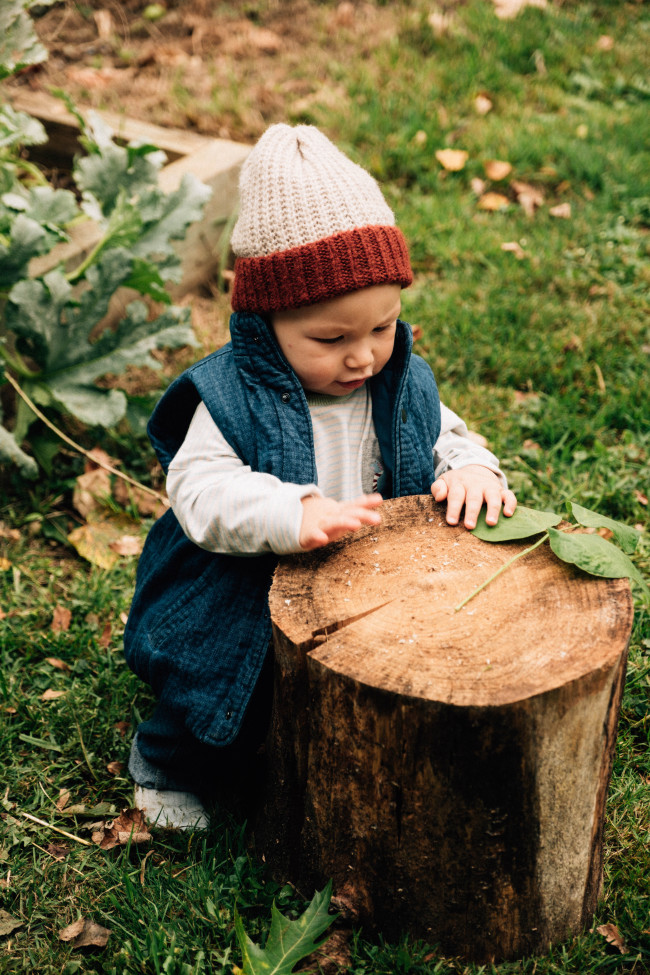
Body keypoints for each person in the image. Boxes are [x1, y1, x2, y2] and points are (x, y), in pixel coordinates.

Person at [123, 124, 517, 828]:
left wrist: (470, 466)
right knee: (220, 688)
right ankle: (166, 762)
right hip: (242, 579)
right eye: (332, 339)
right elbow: (199, 490)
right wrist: (290, 513)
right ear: (267, 319)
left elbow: (440, 430)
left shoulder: (396, 380)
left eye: (383, 326)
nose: (363, 356)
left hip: (363, 580)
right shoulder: (231, 397)